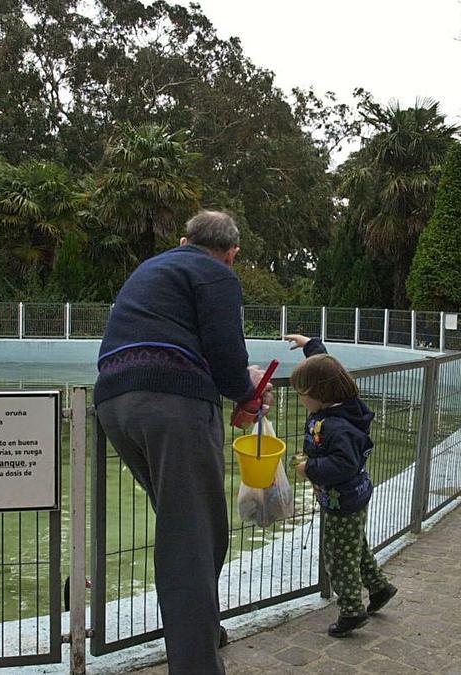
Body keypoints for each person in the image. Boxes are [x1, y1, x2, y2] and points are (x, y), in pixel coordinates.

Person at [95, 210, 271, 673]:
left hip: (114, 402)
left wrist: (238, 386)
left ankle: (205, 631)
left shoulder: (154, 267)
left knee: (187, 525)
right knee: (195, 538)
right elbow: (226, 350)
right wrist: (247, 389)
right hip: (172, 405)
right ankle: (196, 664)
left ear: (182, 240)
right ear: (231, 254)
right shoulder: (216, 274)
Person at [285, 333, 398, 637]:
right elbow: (326, 369)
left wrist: (309, 467)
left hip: (341, 500)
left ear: (319, 395)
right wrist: (311, 346)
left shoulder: (335, 426)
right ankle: (379, 588)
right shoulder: (346, 404)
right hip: (354, 497)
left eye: (302, 393)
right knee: (355, 545)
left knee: (338, 555)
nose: (300, 399)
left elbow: (343, 465)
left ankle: (351, 610)